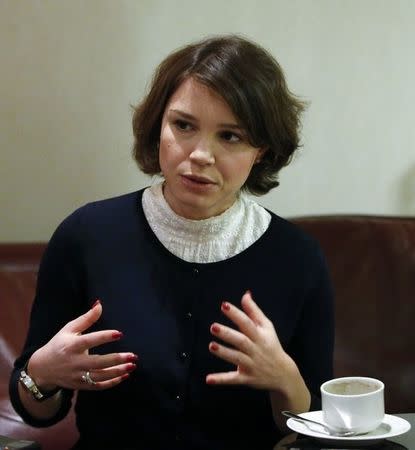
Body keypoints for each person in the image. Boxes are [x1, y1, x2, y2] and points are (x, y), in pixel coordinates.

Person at [9, 34, 334, 450]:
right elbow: (36, 411)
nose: (200, 154)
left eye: (230, 136)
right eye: (183, 125)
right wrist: (40, 374)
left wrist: (285, 379)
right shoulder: (86, 236)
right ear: (157, 126)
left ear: (261, 152)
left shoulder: (298, 259)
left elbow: (317, 427)